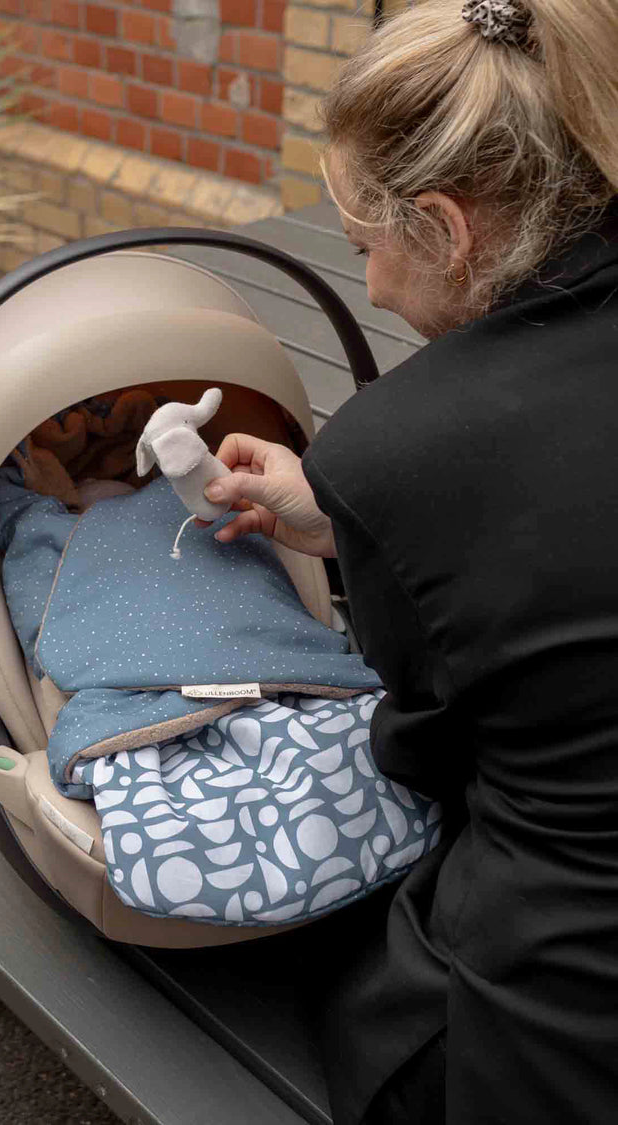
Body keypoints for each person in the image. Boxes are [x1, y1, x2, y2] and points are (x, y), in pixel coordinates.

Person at [201, 1, 618, 1121]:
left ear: (445, 224)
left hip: (557, 1039)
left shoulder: (401, 444)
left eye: (364, 248)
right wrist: (347, 524)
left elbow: (428, 754)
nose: (375, 288)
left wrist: (373, 507)